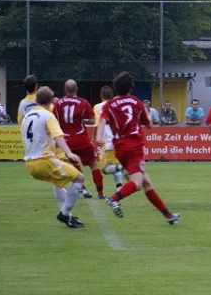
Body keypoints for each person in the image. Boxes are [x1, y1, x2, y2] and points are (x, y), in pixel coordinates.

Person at [97, 72, 180, 225]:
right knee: (137, 182)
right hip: (134, 146)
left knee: (146, 183)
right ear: (131, 87)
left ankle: (169, 216)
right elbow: (148, 123)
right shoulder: (136, 102)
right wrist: (147, 123)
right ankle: (115, 198)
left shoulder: (110, 105)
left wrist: (98, 138)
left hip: (119, 148)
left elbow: (102, 121)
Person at [22, 86, 86, 228]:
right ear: (51, 101)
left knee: (58, 183)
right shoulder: (48, 115)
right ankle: (64, 213)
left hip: (30, 164)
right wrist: (69, 153)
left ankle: (68, 217)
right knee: (80, 178)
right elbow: (58, 137)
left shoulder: (27, 116)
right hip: (44, 161)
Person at [55, 80, 105, 199]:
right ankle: (100, 193)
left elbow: (55, 121)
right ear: (77, 89)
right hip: (81, 139)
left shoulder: (58, 103)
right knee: (93, 165)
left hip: (67, 141)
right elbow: (93, 121)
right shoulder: (83, 102)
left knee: (75, 165)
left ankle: (83, 189)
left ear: (65, 89)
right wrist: (82, 120)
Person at [94, 86, 124, 191]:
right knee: (115, 164)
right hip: (117, 140)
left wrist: (96, 138)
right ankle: (119, 189)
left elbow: (98, 124)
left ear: (101, 95)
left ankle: (122, 167)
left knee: (104, 168)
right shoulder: (117, 106)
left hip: (106, 142)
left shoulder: (98, 107)